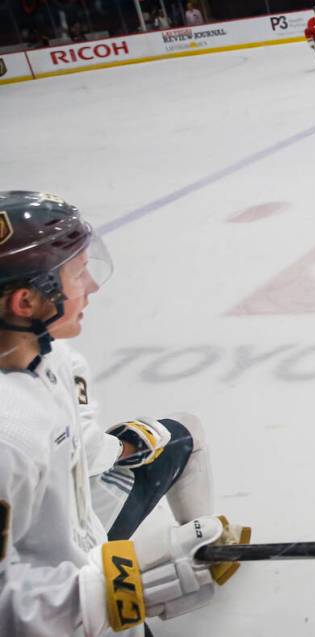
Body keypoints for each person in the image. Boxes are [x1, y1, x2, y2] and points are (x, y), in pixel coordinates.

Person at [0, 191, 250, 636]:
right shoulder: (7, 438)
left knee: (181, 432)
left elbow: (79, 451)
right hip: (63, 612)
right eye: (78, 275)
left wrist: (128, 444)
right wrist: (114, 592)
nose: (92, 286)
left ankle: (200, 534)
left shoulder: (53, 359)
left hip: (78, 558)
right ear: (26, 303)